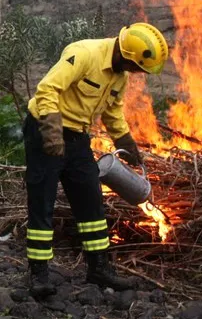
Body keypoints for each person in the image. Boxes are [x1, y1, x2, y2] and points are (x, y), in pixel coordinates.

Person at [23, 22, 169, 297]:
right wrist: (52, 132)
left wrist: (125, 141)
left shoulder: (119, 77)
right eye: (138, 66)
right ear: (127, 55)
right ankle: (39, 274)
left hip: (78, 138)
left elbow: (112, 112)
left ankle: (99, 269)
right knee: (42, 200)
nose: (137, 73)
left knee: (91, 202)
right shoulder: (84, 53)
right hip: (46, 129)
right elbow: (47, 89)